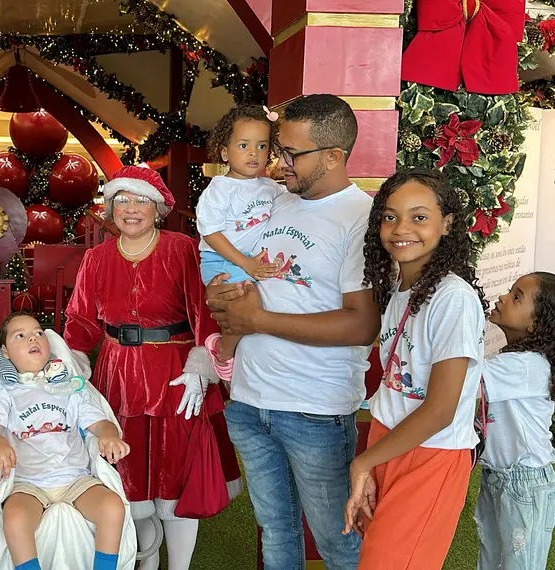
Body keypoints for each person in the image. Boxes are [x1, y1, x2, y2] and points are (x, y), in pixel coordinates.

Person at [205, 94, 379, 569]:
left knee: (336, 540)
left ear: (333, 156)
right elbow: (234, 270)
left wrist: (256, 320)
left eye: (289, 154)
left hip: (313, 411)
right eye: (276, 149)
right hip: (248, 399)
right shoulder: (275, 201)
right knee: (275, 531)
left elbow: (362, 324)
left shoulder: (361, 220)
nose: (275, 164)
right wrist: (220, 296)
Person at [63, 165, 242, 570]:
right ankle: (144, 560)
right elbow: (80, 324)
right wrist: (70, 366)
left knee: (174, 478)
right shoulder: (96, 258)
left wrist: (201, 368)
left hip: (176, 378)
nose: (130, 208)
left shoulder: (182, 249)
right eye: (121, 200)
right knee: (129, 476)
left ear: (157, 208)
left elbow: (205, 313)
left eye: (140, 199)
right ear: (110, 209)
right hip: (117, 379)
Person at [343, 169, 487, 569]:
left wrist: (363, 462)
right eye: (390, 216)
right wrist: (372, 458)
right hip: (388, 440)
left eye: (419, 217)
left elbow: (440, 410)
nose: (401, 228)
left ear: (448, 223)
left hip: (430, 455)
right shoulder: (401, 289)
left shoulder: (453, 298)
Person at [0, 312, 130, 570]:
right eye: (20, 336)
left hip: (75, 478)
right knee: (14, 518)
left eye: (38, 332)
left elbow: (100, 421)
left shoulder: (71, 389)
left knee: (112, 507)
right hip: (29, 483)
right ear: (5, 352)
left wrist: (108, 434)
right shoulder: (5, 394)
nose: (32, 339)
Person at [475, 272, 555, 569]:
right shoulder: (516, 360)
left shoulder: (525, 365)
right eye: (511, 291)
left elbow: (461, 376)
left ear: (536, 323)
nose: (503, 298)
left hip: (524, 482)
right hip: (500, 475)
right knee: (491, 559)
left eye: (516, 296)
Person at [197, 104, 282, 380]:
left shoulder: (270, 187)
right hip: (223, 260)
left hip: (251, 262)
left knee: (261, 309)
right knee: (245, 308)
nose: (253, 153)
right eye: (244, 145)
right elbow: (210, 232)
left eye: (261, 146)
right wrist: (245, 263)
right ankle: (222, 352)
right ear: (225, 152)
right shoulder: (220, 188)